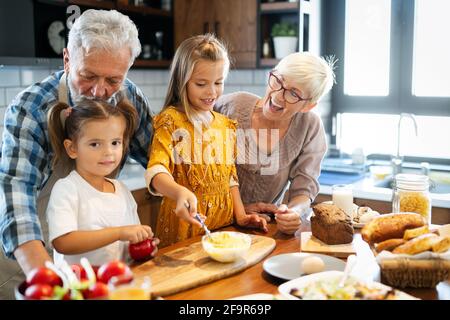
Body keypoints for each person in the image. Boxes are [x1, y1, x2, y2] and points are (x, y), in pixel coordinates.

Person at [0, 9, 153, 298]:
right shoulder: (31, 108)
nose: (99, 91)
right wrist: (47, 282)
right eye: (88, 75)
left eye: (113, 80)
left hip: (99, 273)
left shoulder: (129, 96)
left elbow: (157, 158)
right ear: (67, 59)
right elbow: (16, 194)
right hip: (28, 256)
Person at [145, 34, 267, 247]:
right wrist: (178, 192)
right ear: (182, 81)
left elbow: (230, 178)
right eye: (201, 84)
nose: (212, 92)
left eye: (218, 83)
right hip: (183, 232)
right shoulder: (171, 121)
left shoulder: (225, 124)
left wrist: (240, 216)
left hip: (223, 228)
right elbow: (156, 171)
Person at [215, 52, 336, 235]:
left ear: (308, 106)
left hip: (265, 231)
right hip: (215, 226)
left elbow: (304, 189)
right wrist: (238, 209)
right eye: (278, 81)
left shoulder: (309, 126)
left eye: (294, 93)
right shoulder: (231, 106)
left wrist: (295, 213)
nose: (278, 96)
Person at [46, 97, 158, 266]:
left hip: (120, 284)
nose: (108, 152)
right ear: (72, 148)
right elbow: (63, 242)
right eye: (95, 144)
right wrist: (120, 233)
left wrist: (142, 247)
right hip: (82, 288)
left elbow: (127, 245)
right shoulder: (67, 189)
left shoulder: (122, 190)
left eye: (115, 142)